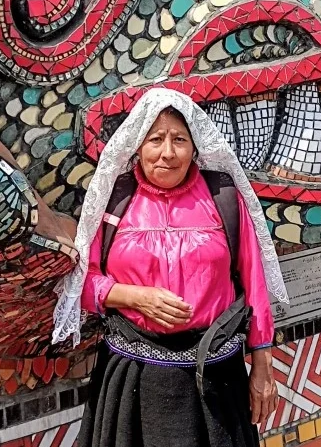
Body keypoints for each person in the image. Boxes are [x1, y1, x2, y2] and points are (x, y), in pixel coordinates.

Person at [51, 88, 290, 447]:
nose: (167, 152)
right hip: (135, 379)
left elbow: (255, 282)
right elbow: (81, 285)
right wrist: (134, 297)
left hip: (215, 380)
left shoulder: (223, 197)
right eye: (156, 139)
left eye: (179, 139)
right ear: (137, 146)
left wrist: (262, 364)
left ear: (195, 147)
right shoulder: (114, 199)